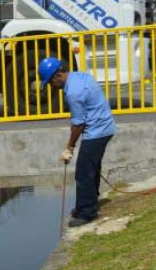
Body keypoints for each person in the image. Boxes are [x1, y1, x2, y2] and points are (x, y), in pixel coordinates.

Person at [38, 58, 116, 227]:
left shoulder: (73, 92)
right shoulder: (79, 77)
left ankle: (86, 213)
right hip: (106, 126)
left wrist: (69, 148)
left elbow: (78, 124)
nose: (52, 86)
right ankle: (89, 204)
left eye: (51, 82)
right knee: (92, 168)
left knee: (83, 171)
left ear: (58, 75)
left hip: (97, 131)